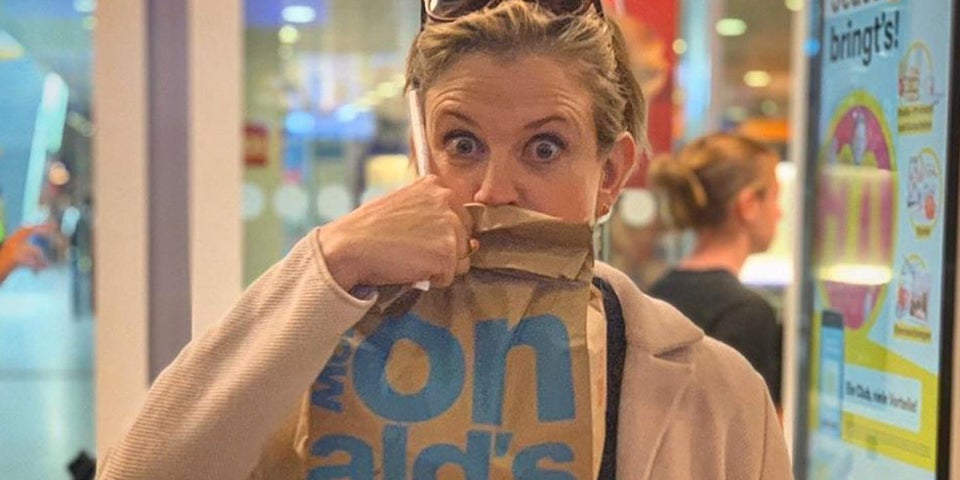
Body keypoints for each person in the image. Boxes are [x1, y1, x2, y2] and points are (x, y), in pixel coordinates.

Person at [96, 2, 791, 479]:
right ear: (419, 156)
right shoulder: (321, 347)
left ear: (609, 175)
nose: (493, 190)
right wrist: (328, 262)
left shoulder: (715, 396)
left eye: (545, 148)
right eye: (462, 143)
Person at [647, 133, 784, 410]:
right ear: (748, 205)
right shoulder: (748, 314)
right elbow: (751, 430)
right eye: (774, 198)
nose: (780, 213)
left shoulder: (656, 293)